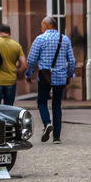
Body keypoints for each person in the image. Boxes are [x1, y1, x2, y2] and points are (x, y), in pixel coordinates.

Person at [24, 16, 76, 144]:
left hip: (45, 76)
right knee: (56, 105)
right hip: (60, 77)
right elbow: (72, 61)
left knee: (41, 102)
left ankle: (47, 123)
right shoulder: (64, 39)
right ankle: (57, 137)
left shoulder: (40, 39)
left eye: (42, 25)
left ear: (47, 25)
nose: (42, 27)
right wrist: (69, 75)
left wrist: (29, 74)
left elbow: (31, 60)